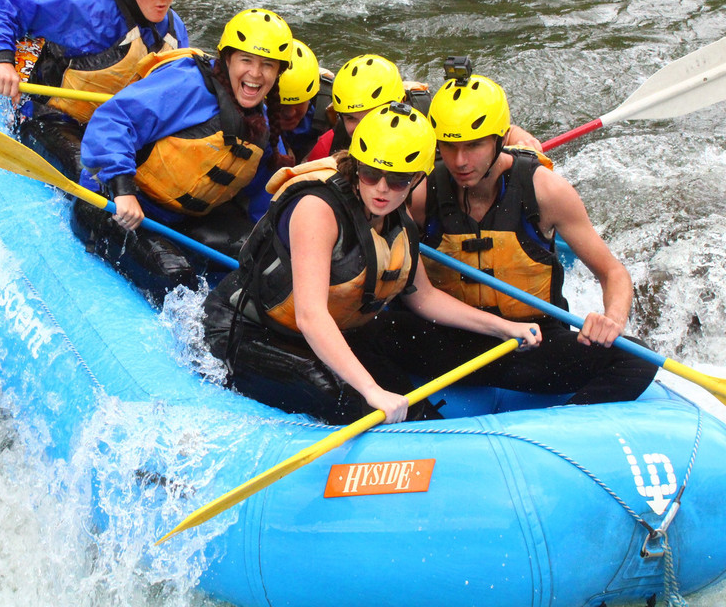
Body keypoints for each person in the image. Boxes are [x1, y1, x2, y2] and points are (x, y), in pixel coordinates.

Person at [202, 102, 541, 425]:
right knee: (341, 395)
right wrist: (371, 390)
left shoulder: (399, 221)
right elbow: (310, 315)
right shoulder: (317, 209)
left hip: (331, 335)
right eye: (370, 173)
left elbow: (424, 297)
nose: (381, 189)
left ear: (417, 179)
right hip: (250, 332)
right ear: (357, 165)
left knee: (413, 408)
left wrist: (503, 327)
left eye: (397, 180)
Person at [377, 72, 657, 404]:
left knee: (637, 358)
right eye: (449, 147)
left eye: (474, 145)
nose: (460, 161)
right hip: (450, 342)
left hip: (530, 345)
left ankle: (565, 426)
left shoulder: (546, 191)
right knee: (364, 332)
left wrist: (611, 321)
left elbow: (613, 272)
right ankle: (419, 418)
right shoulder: (420, 193)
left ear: (499, 140)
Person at [75, 8, 293, 300]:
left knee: (261, 261)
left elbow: (265, 199)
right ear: (227, 59)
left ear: (278, 72)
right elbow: (113, 120)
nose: (255, 73)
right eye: (246, 60)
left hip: (179, 219)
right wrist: (122, 188)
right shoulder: (188, 83)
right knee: (175, 277)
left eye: (267, 65)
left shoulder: (263, 127)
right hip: (114, 201)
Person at [0, 0, 195, 177]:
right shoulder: (85, 5)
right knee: (93, 174)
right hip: (54, 120)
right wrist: (2, 61)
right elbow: (6, 8)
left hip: (117, 135)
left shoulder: (174, 31)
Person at [305, 54, 430, 162]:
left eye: (372, 116)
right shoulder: (328, 146)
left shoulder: (426, 137)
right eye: (351, 118)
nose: (362, 130)